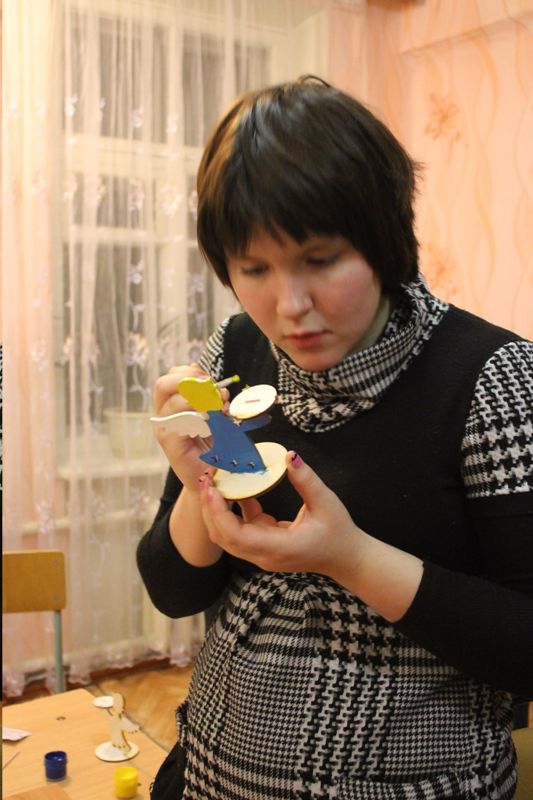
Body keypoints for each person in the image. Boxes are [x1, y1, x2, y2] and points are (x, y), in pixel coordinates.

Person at [137, 76, 533, 800]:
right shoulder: (235, 352)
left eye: (319, 260)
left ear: (384, 242)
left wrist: (349, 558)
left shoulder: (492, 377)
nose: (289, 306)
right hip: (211, 771)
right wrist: (200, 481)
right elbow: (172, 588)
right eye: (253, 269)